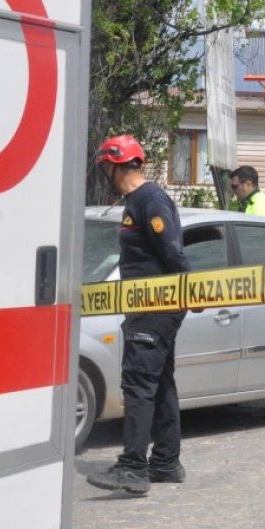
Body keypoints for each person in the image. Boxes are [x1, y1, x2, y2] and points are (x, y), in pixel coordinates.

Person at [87, 135, 192, 495]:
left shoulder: (150, 200)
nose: (105, 175)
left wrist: (187, 292)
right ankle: (165, 462)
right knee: (159, 382)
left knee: (138, 384)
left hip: (154, 308)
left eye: (106, 168)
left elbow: (174, 255)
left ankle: (133, 468)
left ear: (117, 165)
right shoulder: (138, 201)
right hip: (147, 306)